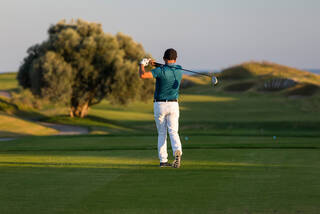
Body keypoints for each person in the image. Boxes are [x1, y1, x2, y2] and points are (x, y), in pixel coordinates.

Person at [139, 48, 183, 168]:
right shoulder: (179, 69)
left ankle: (163, 160)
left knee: (162, 133)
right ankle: (177, 151)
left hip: (160, 105)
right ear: (176, 58)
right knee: (173, 132)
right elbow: (168, 66)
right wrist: (156, 64)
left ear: (164, 58)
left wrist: (142, 64)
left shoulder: (159, 71)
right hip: (173, 105)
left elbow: (143, 75)